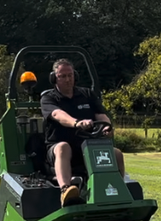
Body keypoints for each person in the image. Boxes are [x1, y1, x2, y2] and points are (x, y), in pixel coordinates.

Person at [40, 59, 125, 205]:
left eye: (70, 75)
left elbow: (101, 115)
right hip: (57, 150)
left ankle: (118, 190)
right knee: (63, 147)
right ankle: (66, 190)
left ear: (75, 76)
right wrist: (76, 123)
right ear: (54, 78)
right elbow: (57, 115)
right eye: (63, 76)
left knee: (116, 153)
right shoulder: (48, 98)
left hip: (87, 147)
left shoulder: (87, 94)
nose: (68, 79)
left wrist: (107, 127)